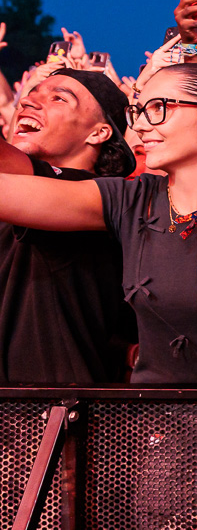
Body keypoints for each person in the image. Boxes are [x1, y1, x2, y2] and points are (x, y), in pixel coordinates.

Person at [0, 62, 197, 384]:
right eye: (139, 111)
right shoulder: (131, 198)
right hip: (151, 409)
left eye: (158, 108)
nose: (141, 125)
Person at [0, 66, 137, 384]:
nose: (28, 101)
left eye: (58, 98)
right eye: (31, 93)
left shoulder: (91, 197)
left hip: (53, 408)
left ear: (99, 133)